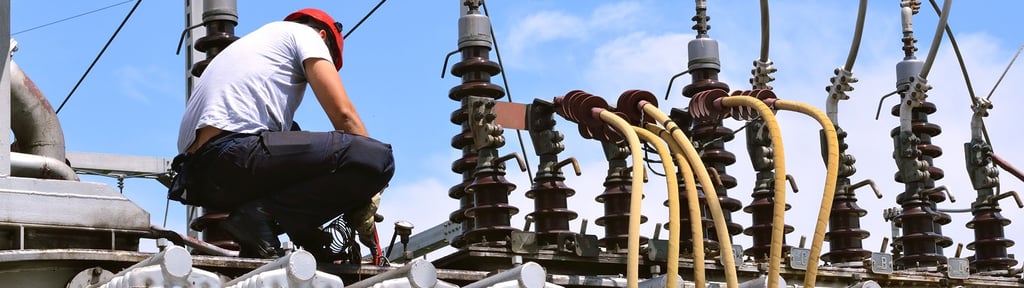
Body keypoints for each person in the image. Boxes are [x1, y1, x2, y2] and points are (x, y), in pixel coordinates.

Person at [168, 8, 394, 262]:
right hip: (233, 154)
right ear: (322, 37)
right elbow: (344, 116)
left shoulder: (251, 47)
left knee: (294, 133)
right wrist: (372, 189)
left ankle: (291, 233)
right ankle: (259, 216)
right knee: (375, 156)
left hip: (202, 178)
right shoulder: (306, 36)